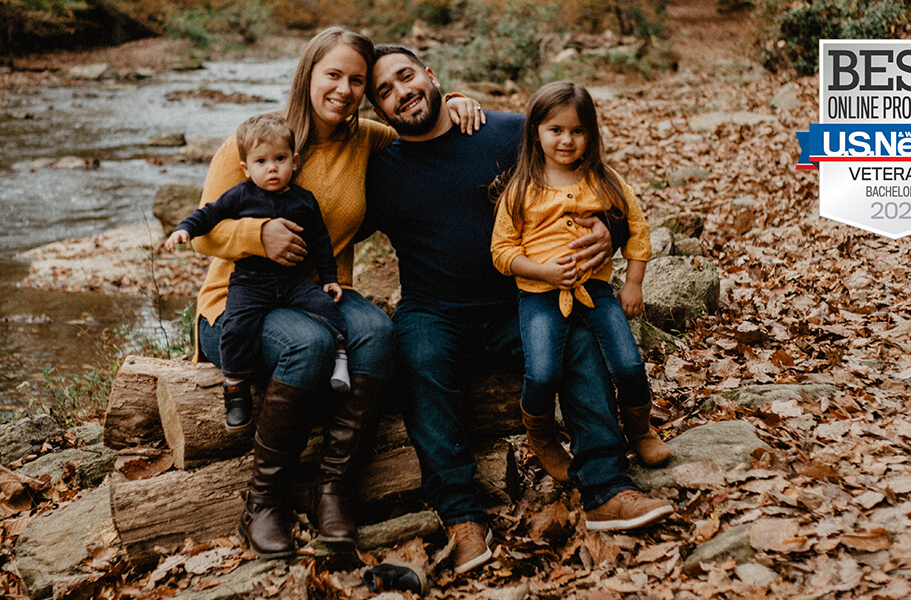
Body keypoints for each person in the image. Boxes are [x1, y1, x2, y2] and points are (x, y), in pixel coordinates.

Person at [364, 45, 675, 575]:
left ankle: (606, 488)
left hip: (524, 297)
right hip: (434, 310)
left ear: (431, 74)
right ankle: (463, 518)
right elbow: (315, 213)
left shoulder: (508, 133)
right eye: (384, 92)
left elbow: (596, 181)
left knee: (578, 343)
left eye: (406, 76)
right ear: (376, 109)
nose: (401, 93)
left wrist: (612, 231)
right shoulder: (382, 170)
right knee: (416, 359)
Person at [187, 28, 483, 558]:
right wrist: (258, 234)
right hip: (238, 306)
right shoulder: (254, 141)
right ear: (308, 75)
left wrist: (456, 100)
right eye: (333, 75)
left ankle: (334, 490)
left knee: (376, 331)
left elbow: (423, 125)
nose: (344, 90)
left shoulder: (367, 140)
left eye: (356, 81)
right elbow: (202, 233)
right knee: (311, 344)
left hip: (323, 291)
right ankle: (264, 501)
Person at [490, 81, 671, 486]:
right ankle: (542, 436)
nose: (567, 140)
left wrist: (634, 283)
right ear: (536, 132)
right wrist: (543, 272)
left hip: (597, 292)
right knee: (542, 373)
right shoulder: (520, 189)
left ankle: (640, 429)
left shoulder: (604, 181)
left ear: (590, 134)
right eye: (555, 130)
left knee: (627, 363)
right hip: (539, 296)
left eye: (577, 131)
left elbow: (638, 229)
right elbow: (502, 251)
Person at [168, 113, 351, 432]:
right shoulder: (241, 195)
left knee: (326, 308)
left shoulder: (303, 200)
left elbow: (320, 241)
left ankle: (340, 361)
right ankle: (235, 388)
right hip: (250, 283)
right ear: (246, 168)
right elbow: (209, 215)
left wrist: (331, 278)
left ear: (294, 162)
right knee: (237, 326)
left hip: (293, 282)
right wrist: (184, 229)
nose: (272, 168)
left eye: (280, 159)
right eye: (262, 161)